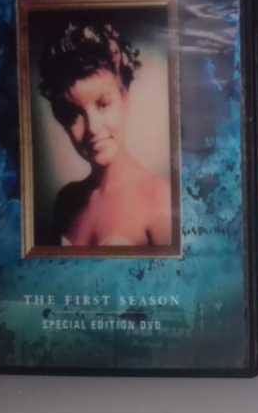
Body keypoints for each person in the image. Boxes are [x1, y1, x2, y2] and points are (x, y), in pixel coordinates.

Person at [37, 19, 173, 248]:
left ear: (125, 98)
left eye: (103, 104)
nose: (92, 127)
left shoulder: (161, 200)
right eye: (74, 114)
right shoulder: (66, 201)